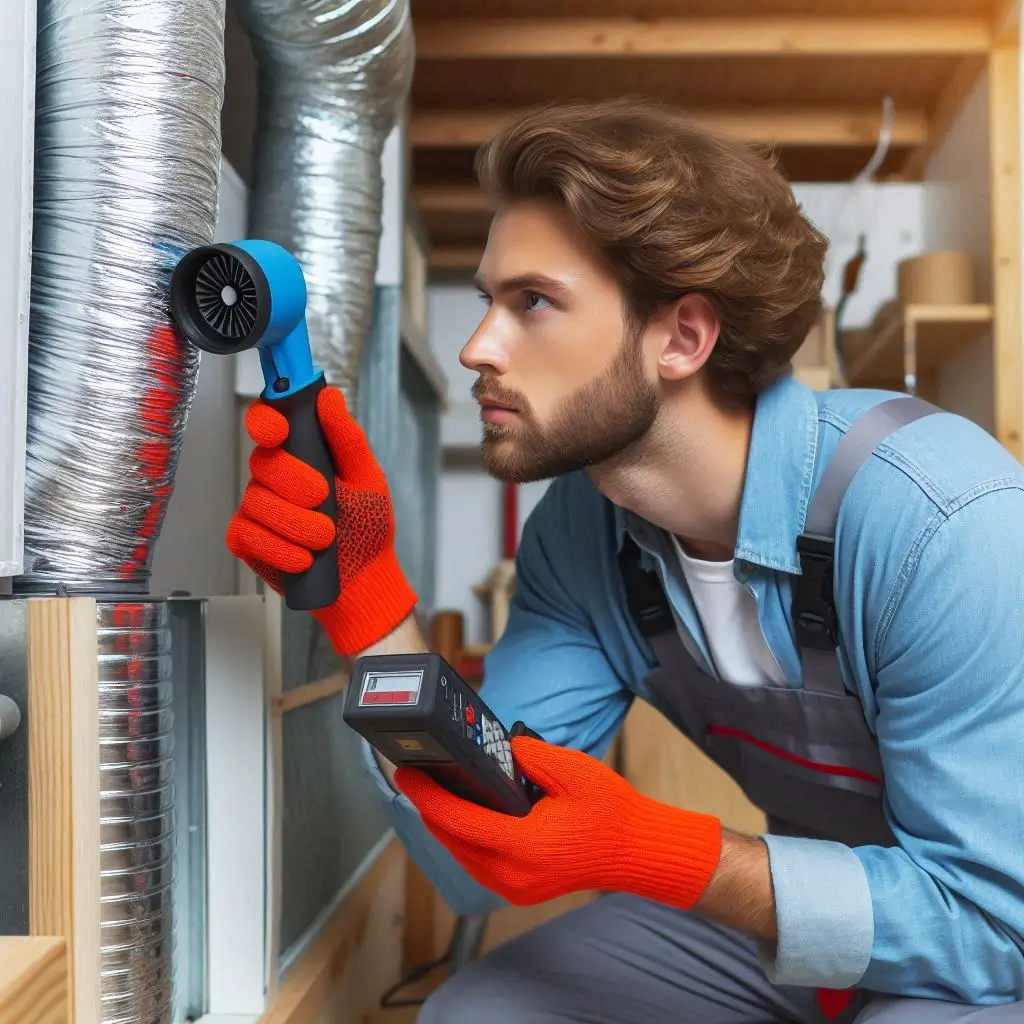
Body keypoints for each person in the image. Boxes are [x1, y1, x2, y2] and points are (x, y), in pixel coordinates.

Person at [225, 99, 1024, 1023]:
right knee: (479, 1015)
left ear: (683, 337)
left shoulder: (941, 521)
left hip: (985, 932)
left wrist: (669, 852)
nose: (477, 346)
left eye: (533, 302)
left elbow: (992, 920)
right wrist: (368, 605)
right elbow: (482, 855)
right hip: (811, 921)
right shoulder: (583, 529)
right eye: (489, 301)